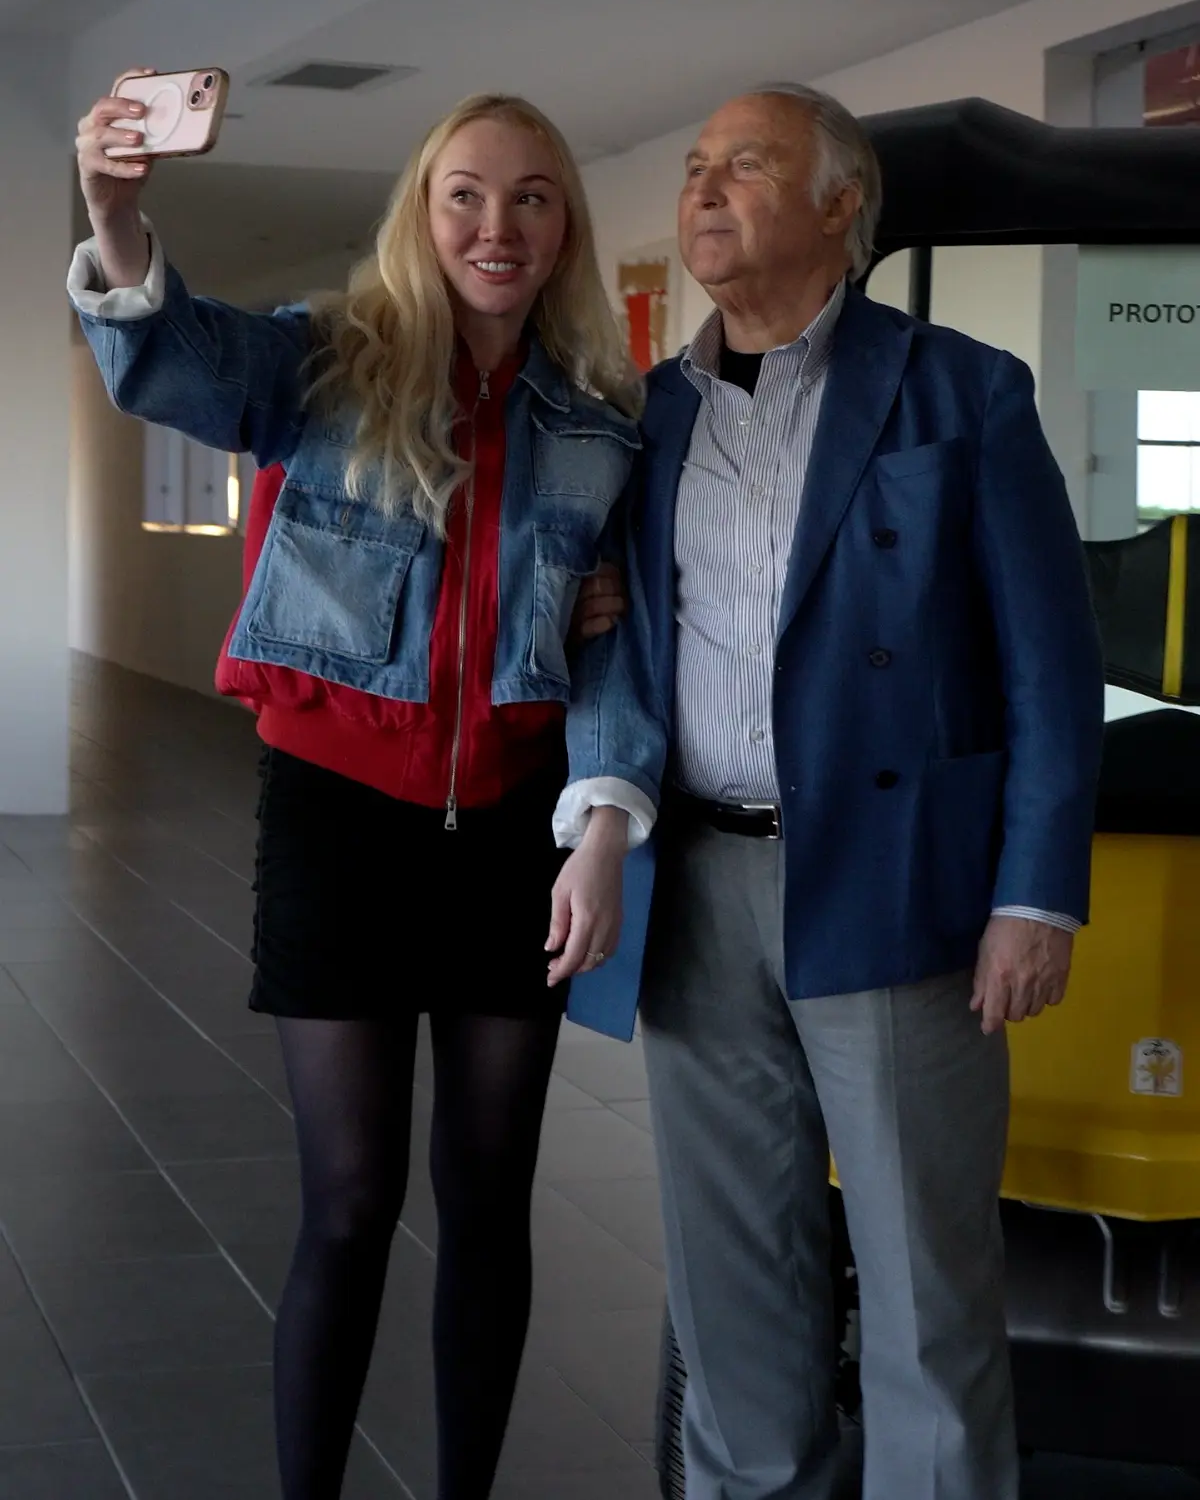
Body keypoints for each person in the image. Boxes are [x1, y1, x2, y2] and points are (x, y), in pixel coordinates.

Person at [69, 81, 664, 1500]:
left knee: (488, 1203)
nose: (496, 224)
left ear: (565, 223)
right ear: (421, 211)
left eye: (530, 196)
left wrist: (600, 834)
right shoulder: (322, 366)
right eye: (465, 192)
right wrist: (116, 213)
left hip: (514, 836)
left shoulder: (599, 426)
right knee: (347, 1206)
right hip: (338, 820)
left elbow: (618, 655)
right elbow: (167, 359)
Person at [568, 84, 1105, 1500]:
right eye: (691, 168)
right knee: (733, 1277)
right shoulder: (644, 417)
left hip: (898, 881)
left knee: (928, 1286)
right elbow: (613, 635)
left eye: (743, 164)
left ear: (837, 204)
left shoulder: (962, 389)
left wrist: (1034, 891)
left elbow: (1052, 665)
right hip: (700, 884)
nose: (703, 189)